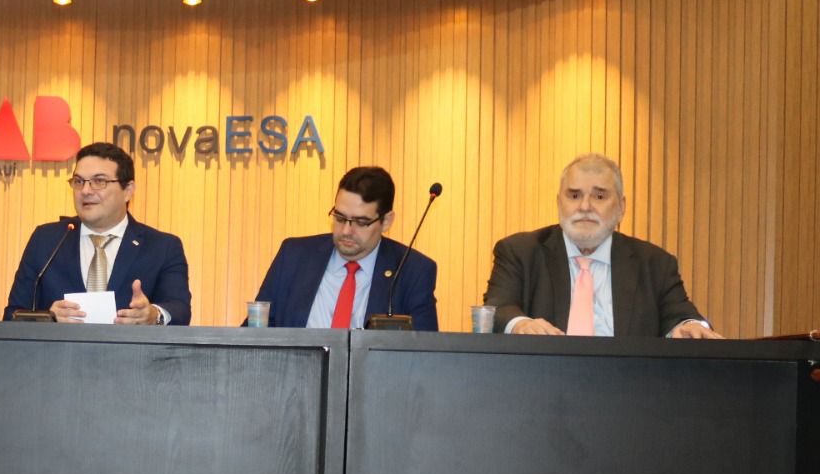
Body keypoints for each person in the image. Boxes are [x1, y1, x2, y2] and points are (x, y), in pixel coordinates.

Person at [483, 152, 720, 338]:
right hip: (542, 382)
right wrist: (521, 324)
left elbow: (683, 316)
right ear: (559, 203)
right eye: (574, 195)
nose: (585, 206)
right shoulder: (520, 252)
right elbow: (498, 308)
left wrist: (691, 326)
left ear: (621, 207)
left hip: (627, 384)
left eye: (599, 196)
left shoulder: (654, 264)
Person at [3, 142, 191, 324]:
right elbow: (12, 315)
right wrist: (48, 317)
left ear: (128, 190)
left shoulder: (162, 247)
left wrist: (153, 315)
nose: (85, 190)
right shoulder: (47, 240)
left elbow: (179, 310)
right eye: (79, 181)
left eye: (99, 181)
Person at [250, 166, 438, 330]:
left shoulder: (413, 271)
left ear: (386, 221)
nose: (346, 231)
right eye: (339, 218)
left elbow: (424, 350)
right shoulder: (294, 256)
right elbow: (255, 333)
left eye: (361, 222)